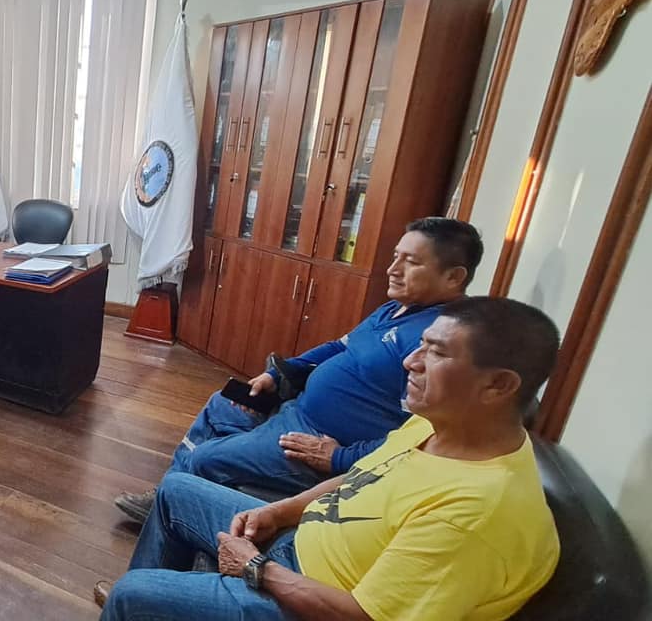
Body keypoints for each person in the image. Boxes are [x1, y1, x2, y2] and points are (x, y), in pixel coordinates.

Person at [97, 296, 561, 621]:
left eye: (435, 353)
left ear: (498, 385)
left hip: (310, 603)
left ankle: (138, 606)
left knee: (131, 594)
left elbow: (365, 617)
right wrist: (279, 511)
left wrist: (257, 568)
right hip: (299, 546)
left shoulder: (478, 512)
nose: (410, 362)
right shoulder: (437, 424)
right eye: (420, 345)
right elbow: (359, 479)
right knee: (176, 491)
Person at [115, 218, 483, 522]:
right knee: (221, 405)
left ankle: (174, 503)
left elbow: (417, 436)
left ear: (454, 277)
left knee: (204, 458)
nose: (392, 270)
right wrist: (278, 374)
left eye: (411, 262)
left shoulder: (438, 340)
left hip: (312, 440)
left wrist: (338, 457)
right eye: (395, 257)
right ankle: (168, 497)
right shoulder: (396, 308)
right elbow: (339, 346)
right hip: (294, 409)